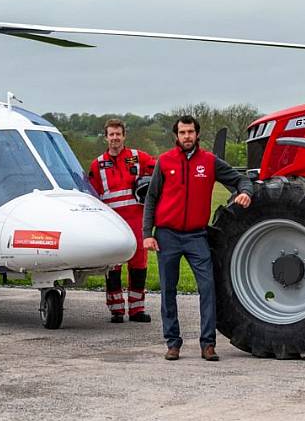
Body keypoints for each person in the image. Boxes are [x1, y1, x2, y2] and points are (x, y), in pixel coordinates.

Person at [143, 115, 252, 361]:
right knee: (168, 290)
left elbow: (241, 180)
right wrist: (146, 234)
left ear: (197, 134)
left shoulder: (210, 162)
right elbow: (151, 198)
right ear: (176, 136)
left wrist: (245, 192)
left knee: (208, 288)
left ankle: (208, 344)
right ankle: (172, 343)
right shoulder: (165, 161)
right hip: (167, 235)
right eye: (182, 133)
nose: (187, 137)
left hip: (196, 236)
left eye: (190, 132)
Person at [89, 118, 156, 323]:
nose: (115, 138)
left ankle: (137, 310)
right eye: (111, 134)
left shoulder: (138, 157)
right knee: (114, 267)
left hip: (137, 220)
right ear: (106, 137)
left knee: (138, 265)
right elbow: (92, 193)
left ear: (124, 136)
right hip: (113, 222)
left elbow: (159, 172)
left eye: (118, 134)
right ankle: (116, 310)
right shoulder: (97, 164)